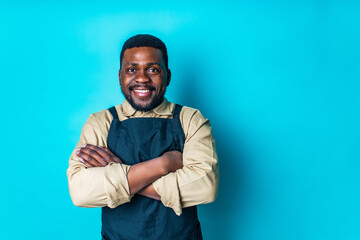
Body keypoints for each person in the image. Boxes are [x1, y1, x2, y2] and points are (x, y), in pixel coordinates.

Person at [67, 34, 219, 240]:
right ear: (120, 75)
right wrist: (165, 164)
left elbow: (205, 187)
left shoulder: (190, 119)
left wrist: (121, 172)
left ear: (168, 76)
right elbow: (81, 192)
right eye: (132, 70)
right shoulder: (100, 122)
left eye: (153, 69)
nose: (141, 78)